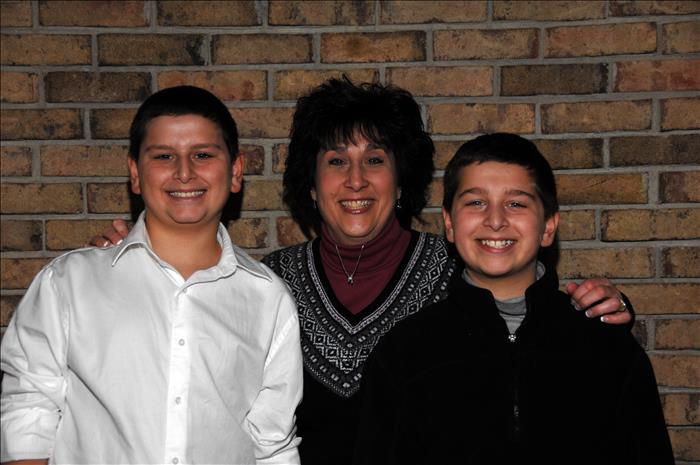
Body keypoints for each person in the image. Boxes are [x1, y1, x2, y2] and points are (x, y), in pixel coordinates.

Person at [90, 78, 633, 465]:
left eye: (374, 160)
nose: (355, 180)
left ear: (401, 181)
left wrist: (602, 309)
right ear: (310, 184)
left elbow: (537, 350)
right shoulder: (262, 285)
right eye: (335, 161)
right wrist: (139, 262)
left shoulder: (462, 269)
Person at [0, 86, 303, 464]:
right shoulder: (68, 283)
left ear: (236, 171)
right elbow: (28, 409)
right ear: (135, 173)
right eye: (164, 156)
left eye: (203, 155)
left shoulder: (267, 298)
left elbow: (273, 443)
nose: (184, 172)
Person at [353, 133, 673, 465]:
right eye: (476, 203)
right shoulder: (403, 352)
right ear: (449, 223)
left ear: (548, 226)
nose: (495, 220)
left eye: (516, 204)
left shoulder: (608, 348)